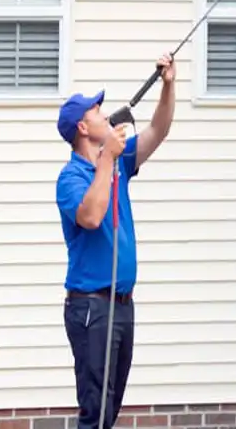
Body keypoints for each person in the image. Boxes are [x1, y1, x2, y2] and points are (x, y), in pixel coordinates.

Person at [54, 53, 176, 429]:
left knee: (110, 411)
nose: (104, 112)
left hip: (122, 306)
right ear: (82, 128)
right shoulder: (71, 178)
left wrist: (168, 85)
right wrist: (107, 157)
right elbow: (90, 216)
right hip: (92, 308)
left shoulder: (119, 163)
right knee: (95, 413)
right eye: (95, 110)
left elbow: (158, 130)